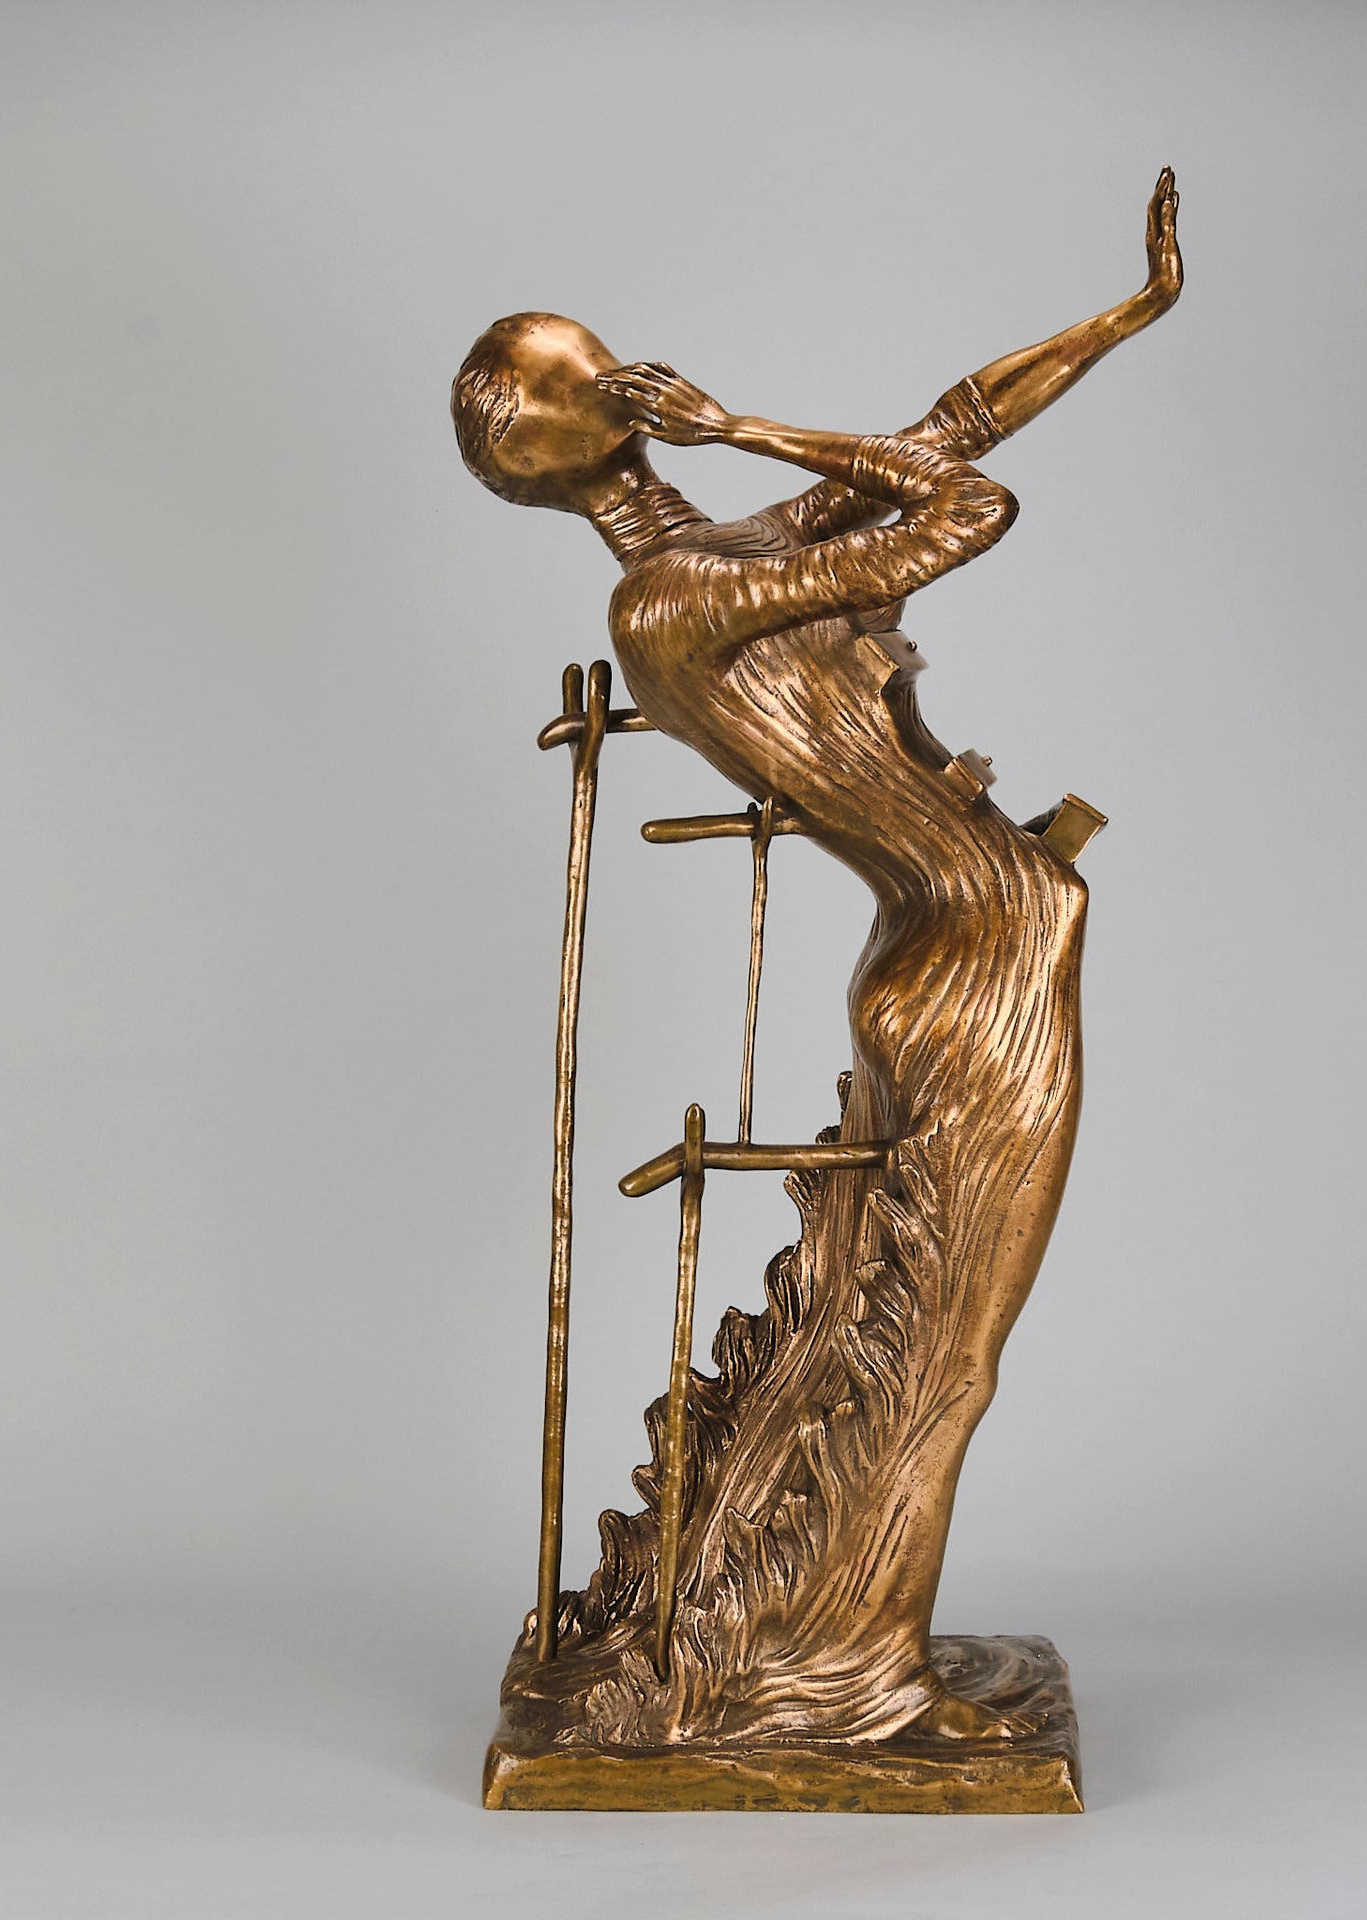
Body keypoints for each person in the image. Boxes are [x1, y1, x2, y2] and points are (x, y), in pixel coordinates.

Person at [456, 172, 1183, 1746]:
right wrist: (745, 428)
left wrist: (1127, 316)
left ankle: (832, 1652)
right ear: (555, 450)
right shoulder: (671, 600)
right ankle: (848, 1676)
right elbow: (965, 517)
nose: (623, 374)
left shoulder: (713, 555)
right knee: (939, 1360)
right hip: (975, 959)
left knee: (912, 1342)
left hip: (971, 944)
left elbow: (948, 438)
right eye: (587, 375)